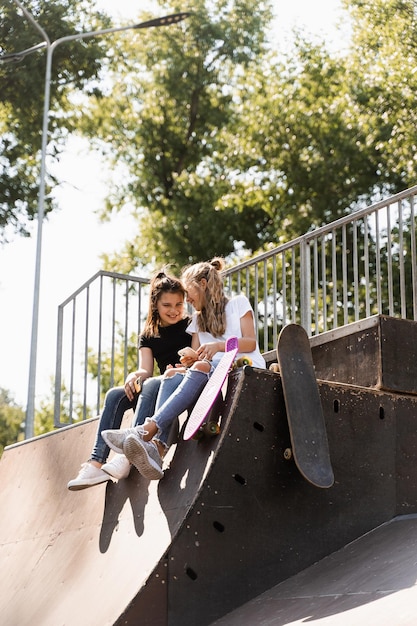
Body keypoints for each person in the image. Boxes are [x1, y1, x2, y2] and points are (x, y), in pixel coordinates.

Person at [102, 257, 265, 481]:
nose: (187, 300)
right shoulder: (197, 321)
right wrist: (184, 364)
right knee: (170, 375)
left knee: (200, 366)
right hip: (210, 369)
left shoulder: (238, 303)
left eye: (189, 293)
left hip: (242, 363)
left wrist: (218, 346)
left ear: (203, 285)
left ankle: (146, 431)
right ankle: (157, 450)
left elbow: (250, 343)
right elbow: (196, 357)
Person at [67, 270, 192, 490]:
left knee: (153, 383)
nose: (174, 310)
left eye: (178, 304)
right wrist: (133, 376)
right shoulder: (149, 334)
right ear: (155, 305)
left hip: (179, 382)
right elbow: (146, 369)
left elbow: (195, 357)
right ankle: (96, 463)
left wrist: (182, 366)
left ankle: (126, 455)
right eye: (167, 305)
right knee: (115, 394)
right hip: (160, 382)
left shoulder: (190, 325)